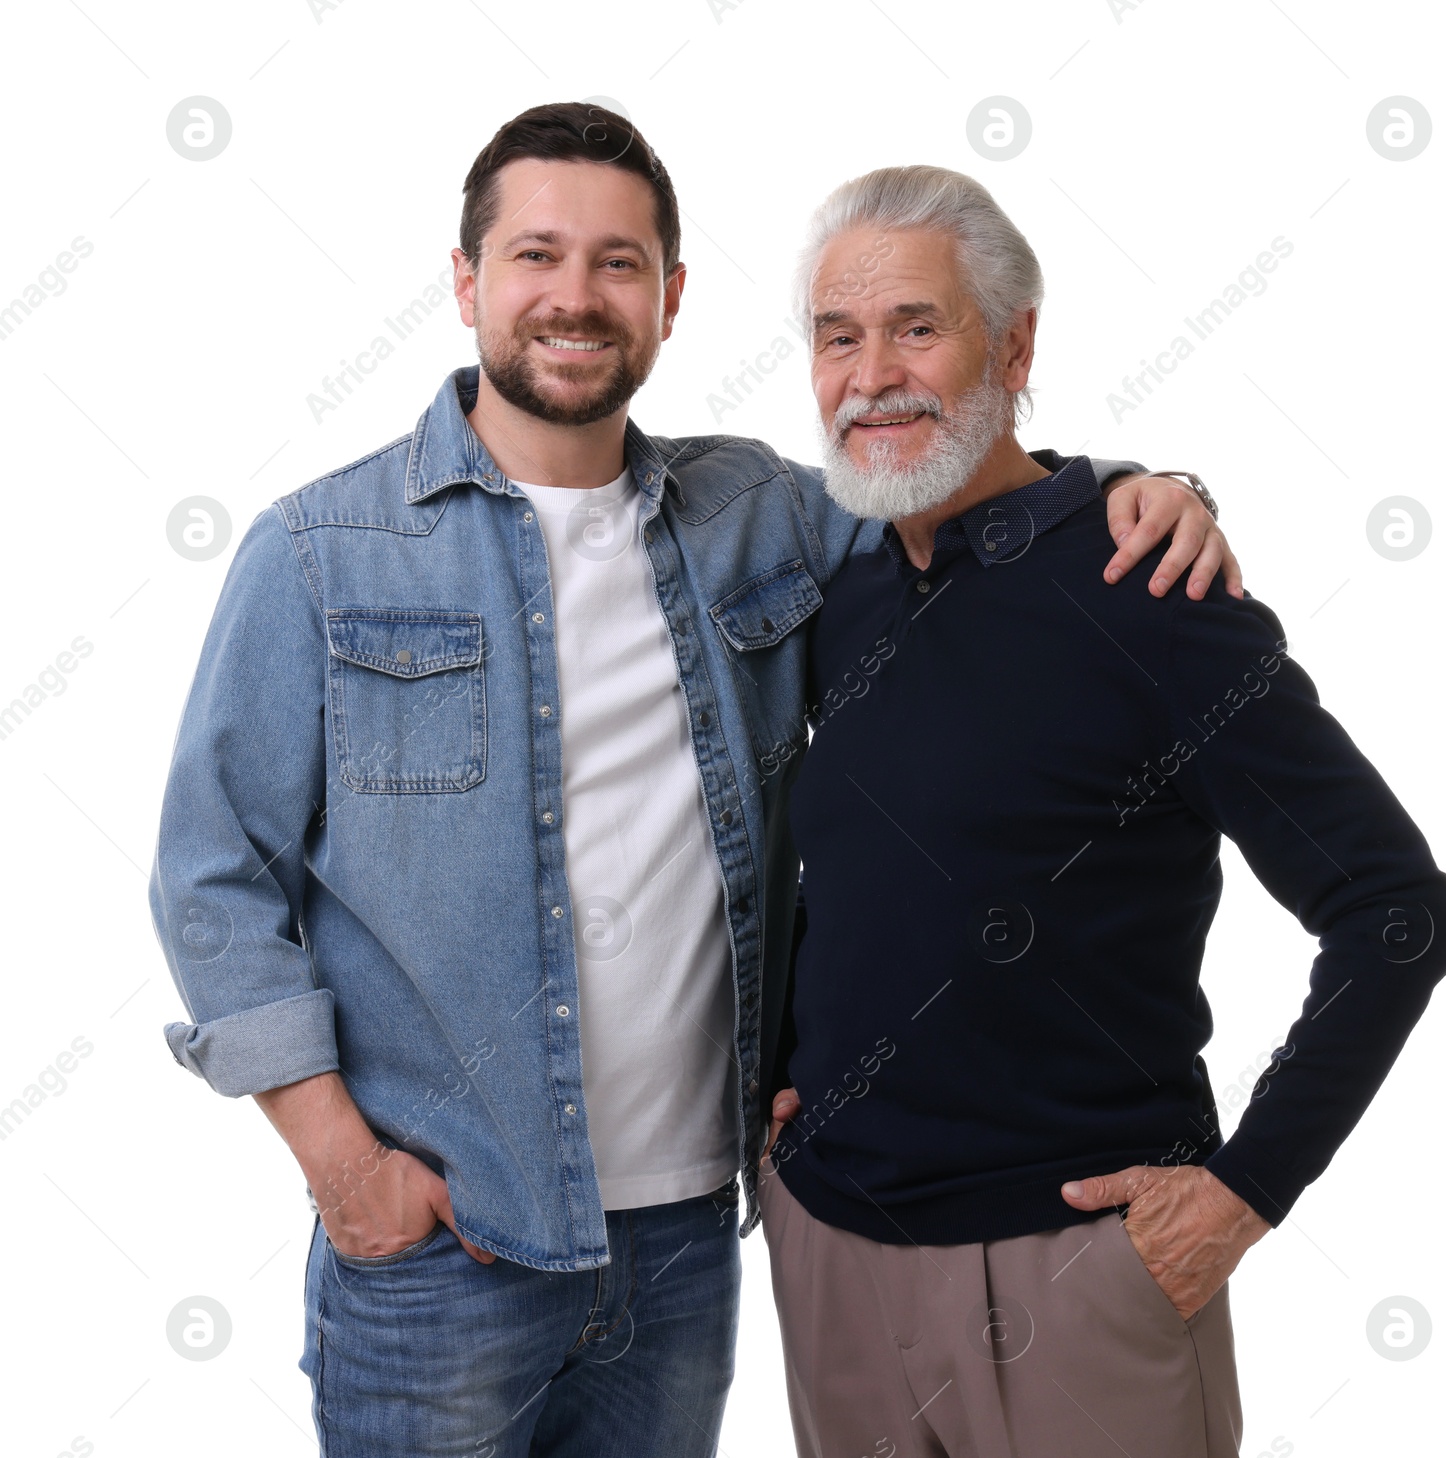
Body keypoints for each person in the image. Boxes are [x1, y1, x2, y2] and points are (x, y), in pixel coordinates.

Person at [147, 105, 1235, 1456]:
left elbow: (961, 490)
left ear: (668, 300)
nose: (575, 296)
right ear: (466, 279)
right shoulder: (321, 552)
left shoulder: (758, 514)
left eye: (618, 263)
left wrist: (1145, 488)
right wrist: (341, 1163)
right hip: (443, 1248)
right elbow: (209, 872)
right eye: (537, 252)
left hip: (685, 1242)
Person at [760, 164, 1446, 1458]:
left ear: (1015, 341)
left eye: (917, 325)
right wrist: (778, 1078)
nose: (872, 375)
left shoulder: (1152, 588)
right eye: (837, 336)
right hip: (833, 1263)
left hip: (1078, 1273)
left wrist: (1247, 1188)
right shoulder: (841, 583)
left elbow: (1396, 913)